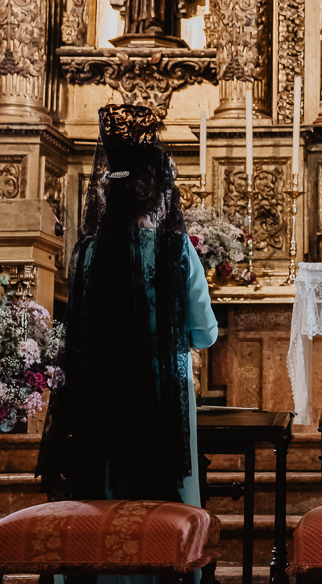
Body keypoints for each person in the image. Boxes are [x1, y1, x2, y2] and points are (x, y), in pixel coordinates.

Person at [37, 104, 218, 584]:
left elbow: (78, 328)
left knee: (102, 493)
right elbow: (204, 332)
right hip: (161, 393)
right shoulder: (176, 249)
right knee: (164, 496)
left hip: (99, 394)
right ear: (159, 195)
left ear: (107, 192)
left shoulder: (88, 252)